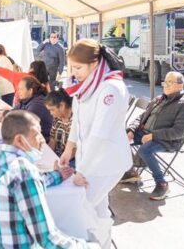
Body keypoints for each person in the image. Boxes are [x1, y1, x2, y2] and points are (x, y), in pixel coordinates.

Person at [0, 110, 98, 248]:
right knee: (83, 236)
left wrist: (57, 175)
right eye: (36, 134)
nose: (42, 139)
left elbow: (27, 184)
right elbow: (48, 240)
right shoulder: (23, 171)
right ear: (19, 140)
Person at [59, 39, 132, 248]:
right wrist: (68, 149)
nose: (74, 72)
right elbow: (78, 122)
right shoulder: (86, 86)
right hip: (89, 159)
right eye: (71, 67)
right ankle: (104, 244)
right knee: (98, 210)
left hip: (106, 162)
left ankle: (97, 243)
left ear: (94, 63)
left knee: (81, 207)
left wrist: (83, 170)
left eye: (78, 67)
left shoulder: (111, 88)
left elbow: (99, 136)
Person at [122, 72, 184, 200]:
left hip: (167, 140)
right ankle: (130, 172)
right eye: (165, 82)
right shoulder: (159, 99)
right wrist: (132, 130)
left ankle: (162, 183)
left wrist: (153, 135)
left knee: (145, 150)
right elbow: (142, 117)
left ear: (180, 85)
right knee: (119, 138)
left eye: (170, 82)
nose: (165, 85)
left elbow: (179, 132)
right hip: (145, 133)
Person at [14, 76, 53, 143]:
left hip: (42, 142)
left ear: (30, 90)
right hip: (30, 138)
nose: (18, 92)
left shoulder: (38, 104)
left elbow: (25, 124)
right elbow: (13, 113)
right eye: (18, 89)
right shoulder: (25, 100)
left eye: (21, 89)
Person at [45, 89, 74, 167]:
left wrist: (60, 163)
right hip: (58, 158)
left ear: (61, 106)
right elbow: (52, 141)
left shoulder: (76, 120)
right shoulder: (57, 119)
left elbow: (74, 150)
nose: (51, 113)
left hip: (70, 160)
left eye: (52, 110)